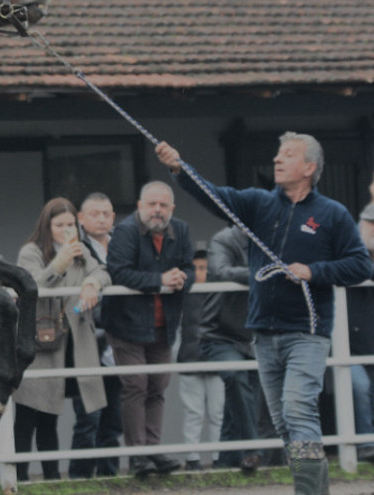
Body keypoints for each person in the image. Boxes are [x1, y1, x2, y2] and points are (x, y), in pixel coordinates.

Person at [157, 132, 373, 494]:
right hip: (263, 333)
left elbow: (360, 266)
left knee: (298, 409)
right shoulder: (257, 203)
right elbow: (213, 195)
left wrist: (313, 271)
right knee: (285, 421)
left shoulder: (332, 214)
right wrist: (180, 169)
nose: (277, 159)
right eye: (277, 153)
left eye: (287, 155)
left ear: (309, 167)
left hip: (308, 332)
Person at [14, 197, 111, 481]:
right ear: (47, 225)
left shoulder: (82, 252)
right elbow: (30, 285)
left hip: (74, 341)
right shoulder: (31, 251)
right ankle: (19, 477)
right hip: (40, 342)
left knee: (52, 415)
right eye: (60, 225)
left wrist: (92, 284)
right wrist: (60, 262)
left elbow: (102, 272)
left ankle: (53, 478)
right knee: (30, 412)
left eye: (71, 224)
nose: (67, 230)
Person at [102, 180, 193, 477]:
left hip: (164, 325)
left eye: (163, 205)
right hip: (126, 324)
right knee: (136, 385)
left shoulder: (181, 229)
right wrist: (161, 281)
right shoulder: (126, 231)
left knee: (158, 387)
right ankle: (138, 454)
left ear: (172, 209)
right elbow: (119, 272)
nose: (157, 210)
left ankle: (153, 450)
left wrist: (182, 278)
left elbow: (191, 267)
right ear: (140, 206)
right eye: (151, 204)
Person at [198, 225, 266, 472]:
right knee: (236, 378)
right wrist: (264, 273)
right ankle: (253, 450)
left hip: (253, 332)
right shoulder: (224, 238)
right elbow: (221, 271)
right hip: (218, 333)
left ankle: (227, 462)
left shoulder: (272, 238)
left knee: (241, 398)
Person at [69, 192, 122, 479]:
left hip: (119, 340)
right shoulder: (75, 248)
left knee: (114, 419)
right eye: (94, 213)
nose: (101, 219)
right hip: (87, 340)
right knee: (88, 417)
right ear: (81, 218)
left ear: (113, 217)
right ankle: (79, 480)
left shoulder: (122, 245)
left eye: (106, 213)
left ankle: (110, 477)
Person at [176, 250, 224, 470]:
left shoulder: (222, 291)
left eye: (204, 268)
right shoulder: (182, 294)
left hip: (216, 360)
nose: (199, 273)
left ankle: (218, 457)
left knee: (218, 412)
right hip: (190, 359)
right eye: (195, 269)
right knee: (193, 412)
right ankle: (192, 458)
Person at [348, 202, 374, 462]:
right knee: (359, 386)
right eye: (370, 223)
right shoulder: (352, 251)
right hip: (349, 344)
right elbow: (360, 269)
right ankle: (366, 445)